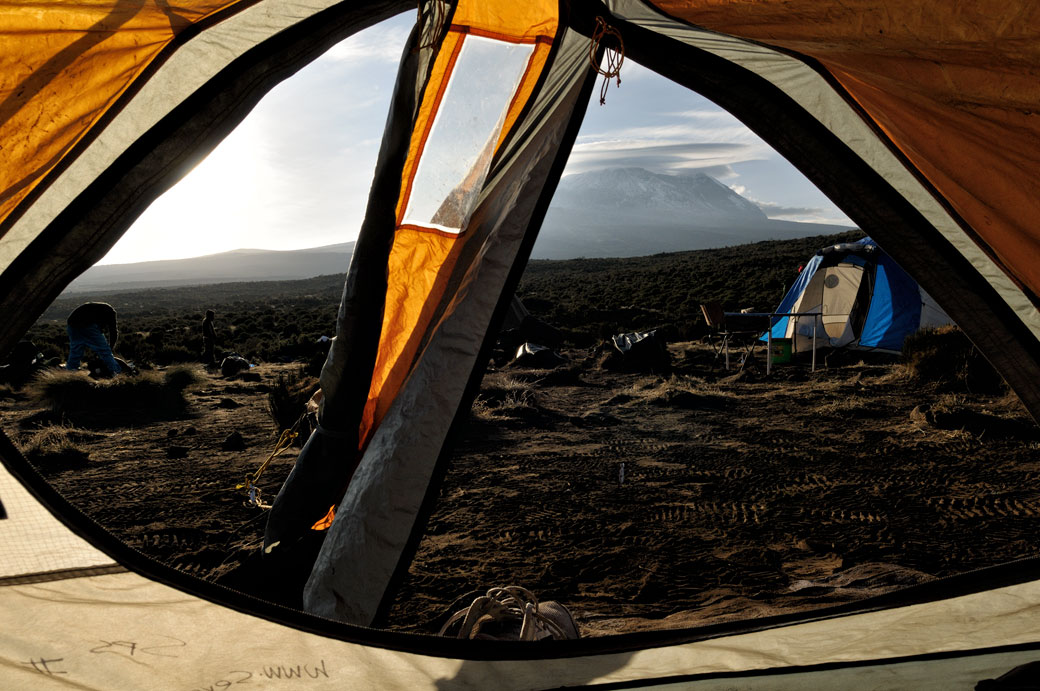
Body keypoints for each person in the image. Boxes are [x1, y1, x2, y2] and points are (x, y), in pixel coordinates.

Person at [66, 302, 121, 376]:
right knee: (104, 351)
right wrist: (110, 348)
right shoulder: (110, 312)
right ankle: (117, 373)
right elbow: (113, 331)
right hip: (87, 324)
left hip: (72, 324)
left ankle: (70, 373)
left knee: (75, 351)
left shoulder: (99, 309)